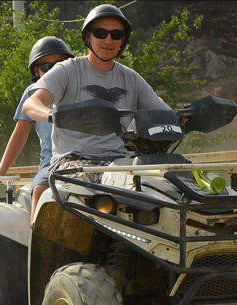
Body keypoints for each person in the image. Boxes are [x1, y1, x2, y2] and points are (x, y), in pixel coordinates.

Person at [21, 4, 171, 177]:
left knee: (168, 183)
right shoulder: (67, 70)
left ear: (123, 41)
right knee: (104, 183)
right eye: (100, 33)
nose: (108, 41)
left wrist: (187, 118)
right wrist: (54, 115)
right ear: (88, 36)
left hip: (123, 161)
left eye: (116, 35)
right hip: (72, 161)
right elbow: (31, 104)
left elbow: (163, 113)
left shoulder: (131, 78)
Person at [0, 36, 74, 215]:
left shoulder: (79, 87)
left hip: (90, 158)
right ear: (36, 71)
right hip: (52, 163)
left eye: (60, 64)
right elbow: (20, 134)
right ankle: (36, 238)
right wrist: (1, 171)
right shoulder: (32, 93)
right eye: (47, 67)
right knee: (41, 191)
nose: (54, 70)